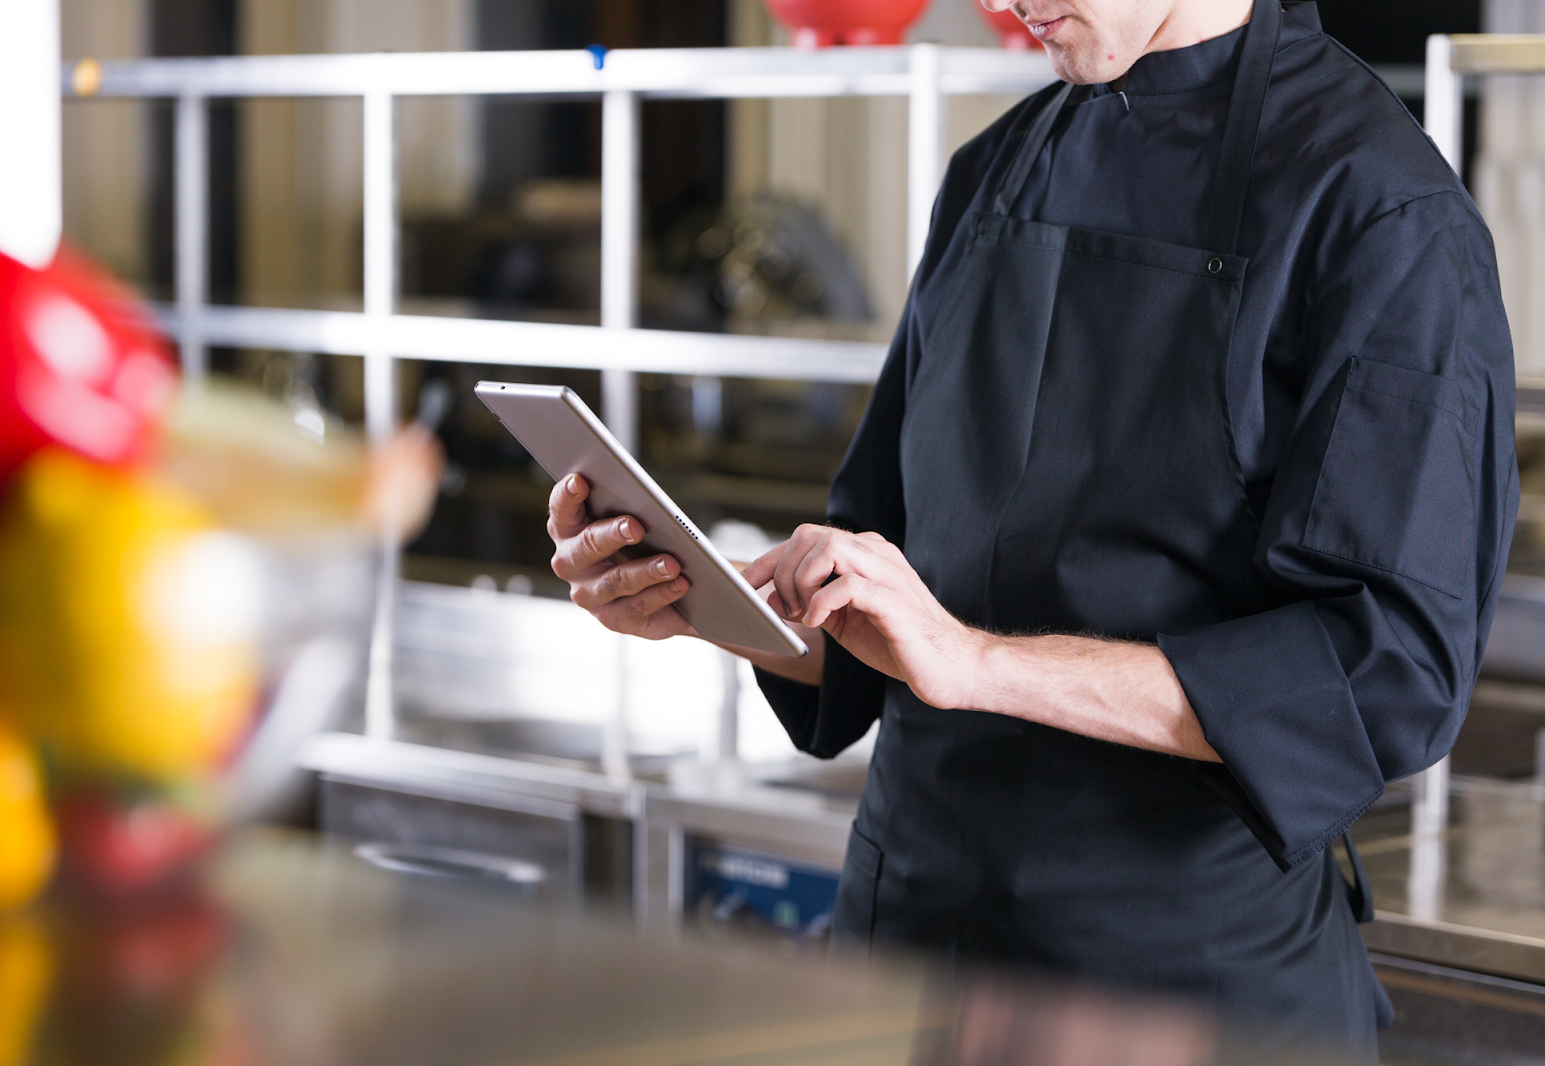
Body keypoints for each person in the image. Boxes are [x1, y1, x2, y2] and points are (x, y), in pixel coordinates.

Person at [546, 0, 1518, 1057]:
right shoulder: (994, 174)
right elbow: (883, 598)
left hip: (1177, 993)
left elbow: (1379, 677)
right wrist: (704, 599)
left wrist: (977, 663)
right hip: (910, 960)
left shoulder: (1380, 210)